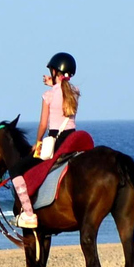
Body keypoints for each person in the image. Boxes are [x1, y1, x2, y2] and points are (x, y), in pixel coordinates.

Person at [12, 52, 81, 229]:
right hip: (72, 139)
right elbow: (63, 89)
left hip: (56, 141)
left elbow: (43, 123)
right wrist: (54, 84)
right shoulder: (75, 91)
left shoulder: (48, 96)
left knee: (17, 169)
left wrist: (38, 141)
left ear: (55, 71)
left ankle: (28, 214)